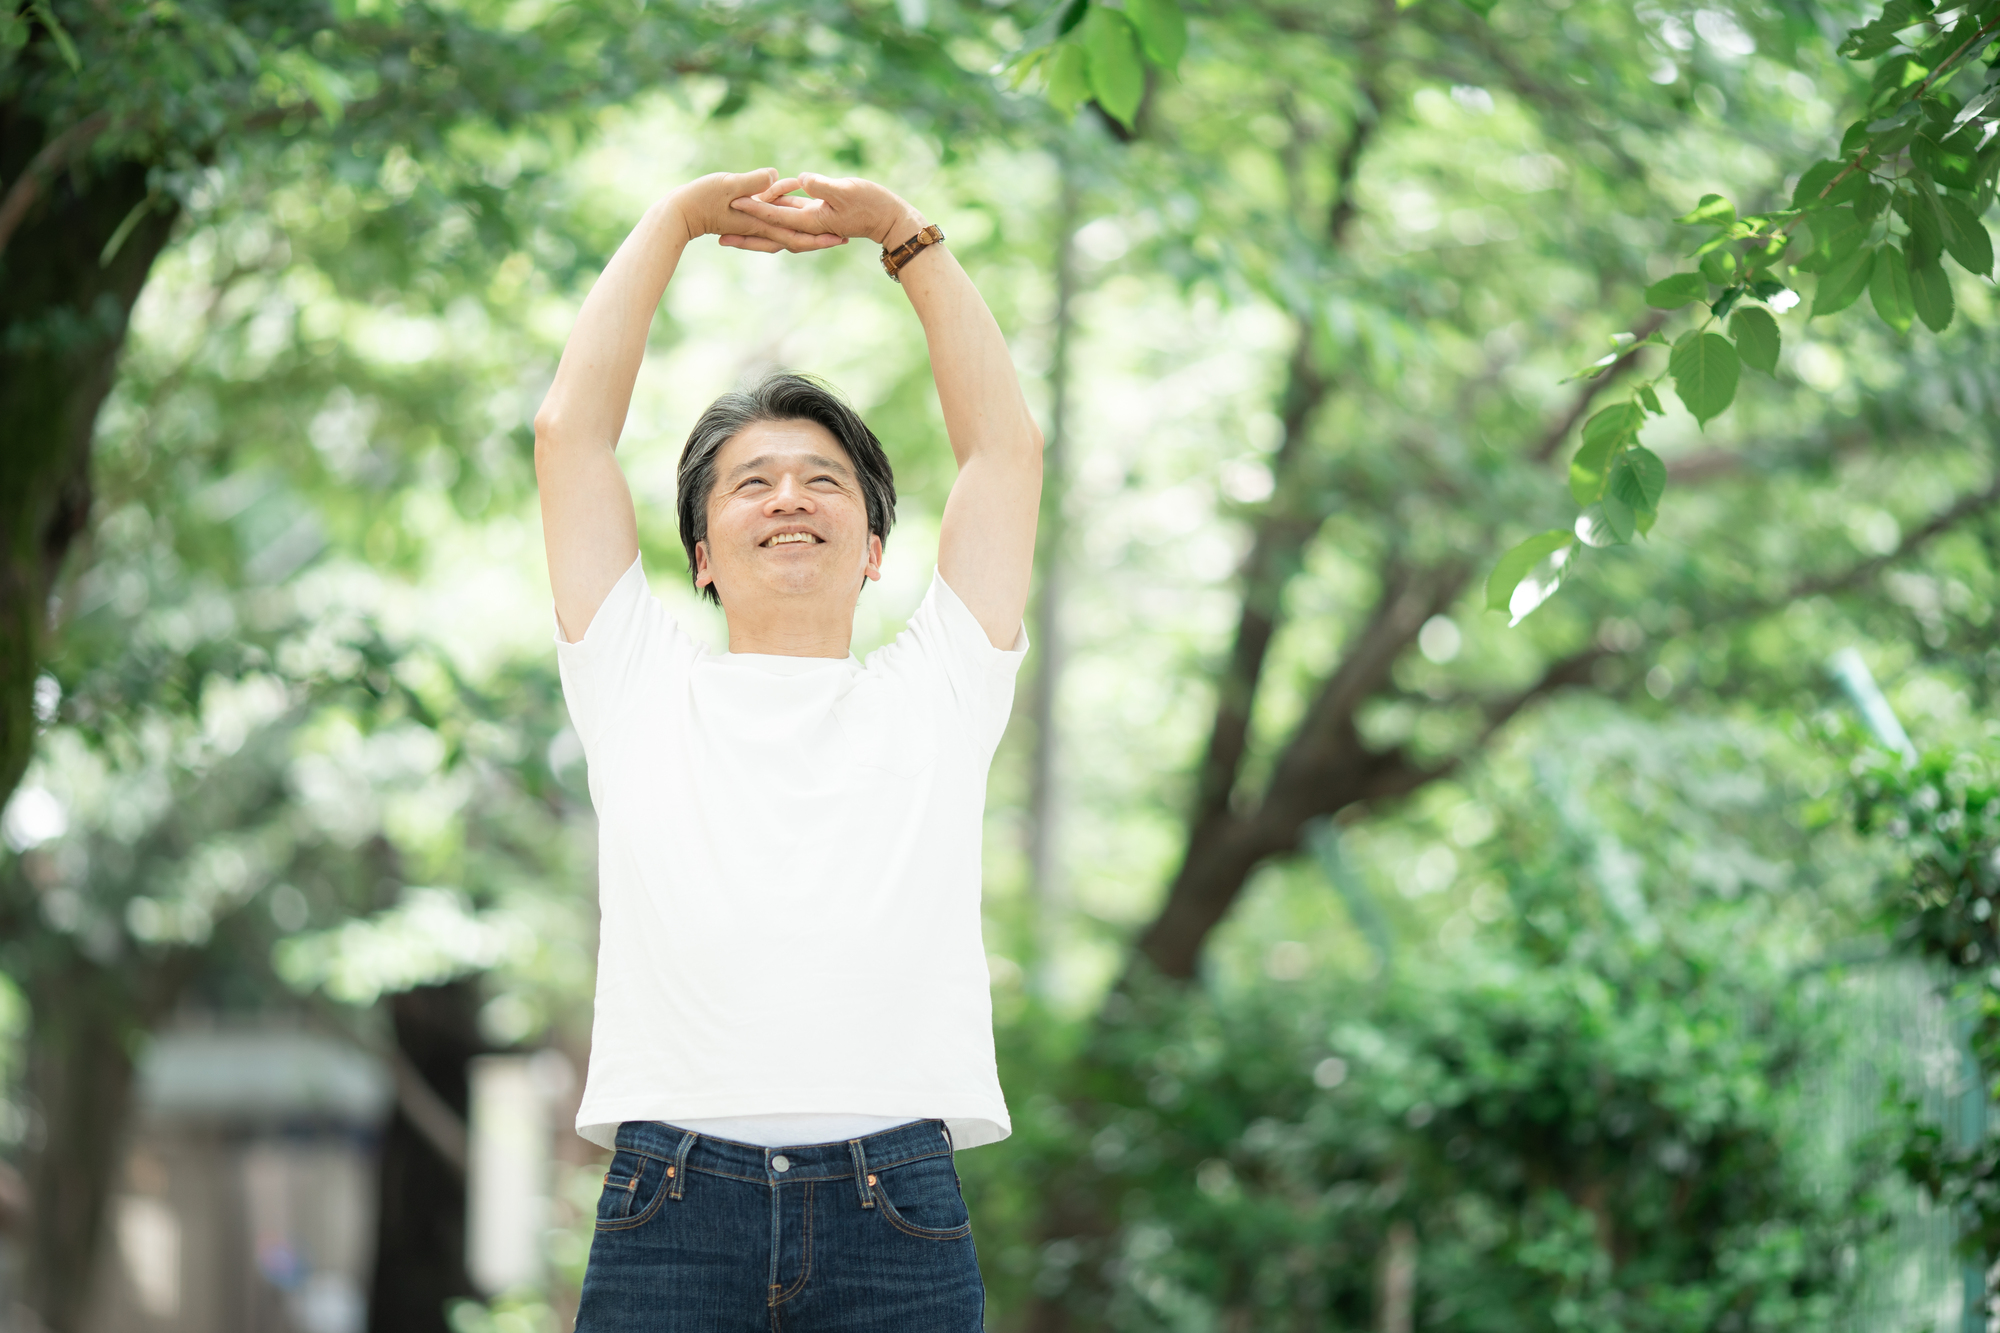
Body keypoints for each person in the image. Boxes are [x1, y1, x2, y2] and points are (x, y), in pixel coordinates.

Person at [534, 168, 1042, 1331]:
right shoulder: (634, 682)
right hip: (670, 1205)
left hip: (895, 1210)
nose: (788, 499)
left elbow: (1004, 452)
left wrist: (902, 237)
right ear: (701, 552)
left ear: (872, 546)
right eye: (749, 483)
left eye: (824, 481)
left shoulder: (942, 687)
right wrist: (673, 220)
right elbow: (568, 436)